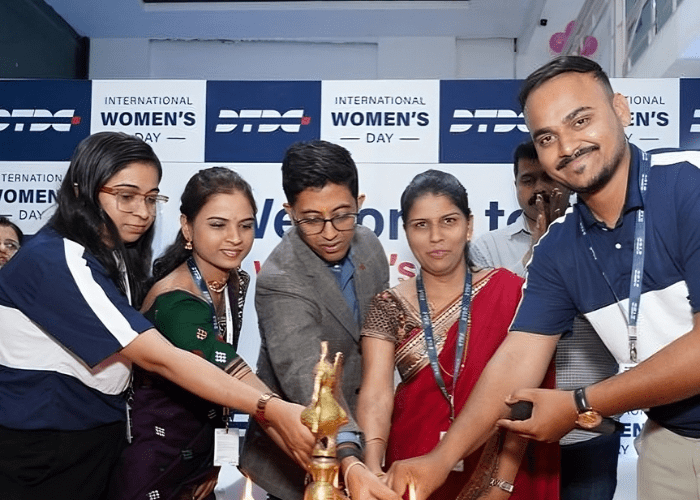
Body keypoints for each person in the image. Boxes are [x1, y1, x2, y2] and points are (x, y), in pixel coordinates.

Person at [384, 55, 700, 500]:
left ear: (622, 110)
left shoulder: (690, 185)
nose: (567, 146)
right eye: (547, 136)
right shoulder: (557, 247)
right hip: (671, 435)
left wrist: (580, 404)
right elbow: (516, 360)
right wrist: (440, 458)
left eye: (581, 120)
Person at [0, 132, 314, 500]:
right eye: (126, 196)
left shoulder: (114, 252)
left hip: (93, 440)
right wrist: (269, 408)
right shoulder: (57, 260)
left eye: (151, 198)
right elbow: (160, 359)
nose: (143, 212)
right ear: (82, 189)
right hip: (43, 451)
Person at [357, 169, 559, 500]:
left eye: (448, 221)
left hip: (500, 467)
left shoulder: (511, 292)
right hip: (411, 469)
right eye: (421, 225)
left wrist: (500, 484)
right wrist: (372, 467)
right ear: (406, 231)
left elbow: (524, 396)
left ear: (469, 225)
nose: (436, 236)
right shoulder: (387, 305)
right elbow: (377, 395)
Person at [240, 140, 395, 500]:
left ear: (360, 203)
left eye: (342, 215)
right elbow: (309, 376)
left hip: (368, 444)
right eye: (311, 220)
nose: (329, 233)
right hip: (297, 462)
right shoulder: (280, 278)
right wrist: (351, 460)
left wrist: (370, 452)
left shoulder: (369, 246)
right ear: (289, 211)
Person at [108, 167, 269, 500]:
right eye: (218, 225)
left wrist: (212, 463)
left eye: (245, 225)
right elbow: (232, 372)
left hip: (201, 455)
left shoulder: (235, 280)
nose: (235, 238)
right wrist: (289, 416)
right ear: (187, 227)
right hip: (155, 460)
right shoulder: (175, 301)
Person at [472, 142, 620, 500]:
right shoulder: (487, 248)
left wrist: (561, 249)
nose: (539, 189)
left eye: (548, 178)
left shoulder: (605, 242)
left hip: (588, 425)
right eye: (528, 179)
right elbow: (504, 322)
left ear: (566, 178)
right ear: (515, 185)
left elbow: (608, 312)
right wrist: (541, 251)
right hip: (516, 432)